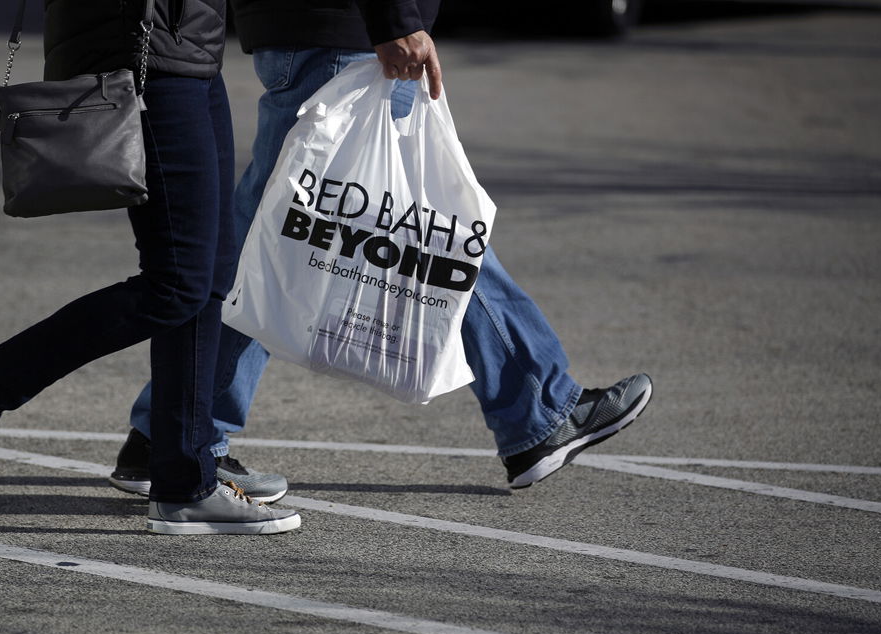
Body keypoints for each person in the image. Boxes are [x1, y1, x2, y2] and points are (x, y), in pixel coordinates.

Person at [107, 0, 653, 499]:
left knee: (285, 233)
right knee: (422, 232)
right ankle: (538, 409)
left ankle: (171, 431)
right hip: (347, 34)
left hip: (317, 30)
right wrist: (395, 18)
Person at [0, 0, 300, 535]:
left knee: (209, 275)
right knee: (176, 283)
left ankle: (185, 482)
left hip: (187, 44)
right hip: (143, 44)